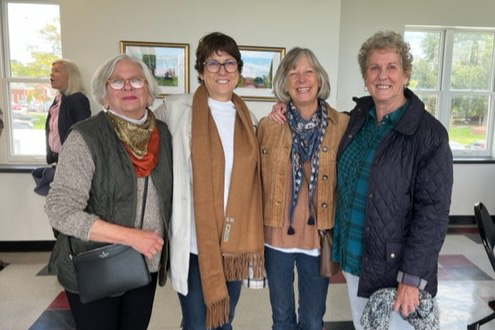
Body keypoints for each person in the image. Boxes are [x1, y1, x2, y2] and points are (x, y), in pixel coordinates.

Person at [330, 31, 453, 329]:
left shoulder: (429, 134)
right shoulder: (358, 119)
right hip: (355, 259)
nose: (382, 75)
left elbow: (433, 213)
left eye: (391, 67)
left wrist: (412, 278)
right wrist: (283, 107)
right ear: (364, 76)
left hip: (395, 272)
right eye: (374, 67)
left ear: (406, 74)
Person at [45, 54, 173, 330]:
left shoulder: (163, 133)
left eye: (136, 80)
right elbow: (60, 210)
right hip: (95, 264)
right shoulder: (85, 137)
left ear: (149, 94)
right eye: (116, 81)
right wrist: (130, 238)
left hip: (145, 267)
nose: (127, 87)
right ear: (103, 95)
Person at [155, 32, 264, 330]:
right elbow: (143, 140)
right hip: (193, 240)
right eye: (212, 63)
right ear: (201, 71)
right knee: (196, 321)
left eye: (229, 63)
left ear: (239, 71)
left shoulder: (249, 119)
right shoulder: (176, 109)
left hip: (234, 243)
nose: (221, 71)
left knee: (223, 319)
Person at [258, 47, 349, 330]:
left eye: (308, 71)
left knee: (312, 320)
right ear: (284, 84)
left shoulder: (342, 125)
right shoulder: (268, 127)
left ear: (319, 79)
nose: (301, 79)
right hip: (276, 239)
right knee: (282, 319)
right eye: (293, 73)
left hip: (317, 239)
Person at [45, 59, 91, 165]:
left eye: (57, 71)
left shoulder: (78, 100)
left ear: (70, 76)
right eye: (51, 71)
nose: (51, 74)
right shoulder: (59, 99)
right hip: (59, 160)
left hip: (72, 162)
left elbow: (83, 134)